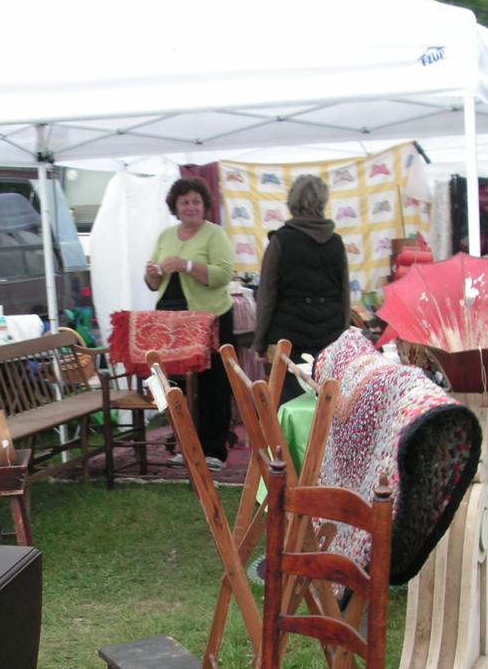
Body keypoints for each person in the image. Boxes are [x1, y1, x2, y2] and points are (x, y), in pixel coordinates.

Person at [144, 177, 236, 471]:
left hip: (210, 319)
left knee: (213, 385)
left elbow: (223, 275)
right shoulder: (166, 236)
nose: (191, 207)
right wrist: (153, 274)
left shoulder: (215, 234)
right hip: (172, 322)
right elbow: (152, 281)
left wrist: (186, 265)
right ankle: (183, 445)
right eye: (184, 202)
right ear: (175, 206)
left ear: (205, 205)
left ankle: (213, 450)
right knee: (176, 386)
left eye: (196, 201)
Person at [252, 174, 350, 402]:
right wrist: (344, 336)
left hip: (289, 338)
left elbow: (267, 296)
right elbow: (344, 294)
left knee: (290, 402)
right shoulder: (336, 242)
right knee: (327, 404)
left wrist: (260, 342)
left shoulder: (280, 240)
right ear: (322, 201)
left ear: (292, 202)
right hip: (330, 336)